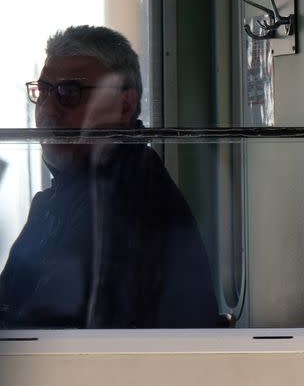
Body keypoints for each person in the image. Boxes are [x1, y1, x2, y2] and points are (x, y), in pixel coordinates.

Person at [0, 25, 219, 329]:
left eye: (68, 92)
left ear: (124, 104)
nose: (48, 109)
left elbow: (51, 331)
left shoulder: (126, 200)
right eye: (43, 91)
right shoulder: (64, 197)